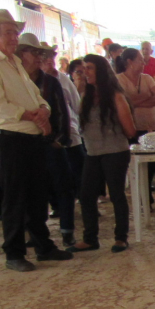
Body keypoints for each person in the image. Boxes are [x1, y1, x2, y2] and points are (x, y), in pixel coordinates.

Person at [0, 11, 73, 272]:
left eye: (14, 32)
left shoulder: (15, 64)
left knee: (36, 194)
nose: (13, 37)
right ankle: (14, 252)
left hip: (31, 137)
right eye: (8, 32)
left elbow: (37, 96)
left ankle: (43, 246)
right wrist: (27, 113)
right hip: (11, 138)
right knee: (14, 196)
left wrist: (43, 110)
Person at [71, 54, 136, 254]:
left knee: (116, 194)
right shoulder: (86, 95)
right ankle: (90, 239)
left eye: (89, 68)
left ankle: (121, 238)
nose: (85, 72)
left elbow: (130, 130)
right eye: (83, 69)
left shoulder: (115, 96)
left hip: (115, 151)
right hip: (93, 152)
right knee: (87, 195)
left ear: (100, 70)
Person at [18, 35, 72, 247]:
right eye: (35, 52)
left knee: (63, 186)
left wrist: (59, 140)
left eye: (42, 53)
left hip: (50, 143)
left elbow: (62, 113)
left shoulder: (50, 82)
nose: (40, 57)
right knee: (32, 190)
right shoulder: (16, 80)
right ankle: (34, 233)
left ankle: (67, 230)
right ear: (22, 54)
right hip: (25, 145)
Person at [117, 47, 155, 210]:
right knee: (141, 166)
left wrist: (134, 102)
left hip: (152, 125)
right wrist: (143, 98)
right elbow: (124, 102)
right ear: (129, 62)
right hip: (134, 127)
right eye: (140, 60)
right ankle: (146, 201)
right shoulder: (119, 80)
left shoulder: (147, 78)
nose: (143, 63)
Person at [43, 46, 85, 244]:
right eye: (45, 59)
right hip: (42, 142)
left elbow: (76, 107)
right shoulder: (29, 81)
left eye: (52, 59)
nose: (50, 63)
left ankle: (68, 229)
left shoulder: (62, 80)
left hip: (69, 138)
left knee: (72, 181)